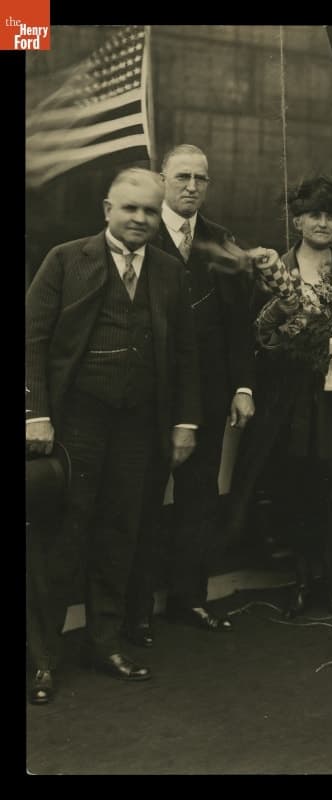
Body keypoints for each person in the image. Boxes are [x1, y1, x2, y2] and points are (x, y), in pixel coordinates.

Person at [25, 168, 201, 701]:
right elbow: (30, 340)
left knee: (118, 535)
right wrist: (35, 414)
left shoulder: (170, 273)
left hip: (139, 427)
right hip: (74, 422)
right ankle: (41, 658)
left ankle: (105, 644)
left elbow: (187, 354)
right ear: (107, 209)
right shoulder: (65, 259)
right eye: (130, 209)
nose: (140, 219)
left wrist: (184, 423)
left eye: (150, 210)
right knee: (60, 539)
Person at [125, 145, 255, 644]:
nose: (191, 186)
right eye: (182, 176)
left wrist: (243, 387)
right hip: (148, 397)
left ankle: (189, 599)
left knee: (199, 501)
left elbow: (239, 326)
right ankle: (136, 611)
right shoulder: (139, 232)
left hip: (207, 396)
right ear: (162, 180)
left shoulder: (223, 244)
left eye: (201, 178)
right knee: (141, 501)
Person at [231, 176, 332, 618]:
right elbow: (256, 335)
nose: (323, 223)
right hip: (289, 397)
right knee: (294, 483)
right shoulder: (277, 273)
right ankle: (303, 578)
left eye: (331, 216)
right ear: (298, 221)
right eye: (315, 216)